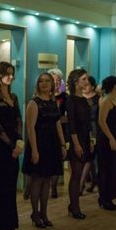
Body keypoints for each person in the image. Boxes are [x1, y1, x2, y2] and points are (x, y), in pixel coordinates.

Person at [22, 73, 67, 228]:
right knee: (37, 180)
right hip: (38, 144)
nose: (44, 83)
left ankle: (44, 213)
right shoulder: (34, 103)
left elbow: (57, 124)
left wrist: (62, 144)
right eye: (41, 81)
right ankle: (35, 213)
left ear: (52, 84)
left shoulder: (54, 102)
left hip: (52, 144)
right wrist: (35, 150)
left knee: (47, 180)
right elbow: (30, 128)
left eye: (47, 81)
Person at [0, 62, 23, 230]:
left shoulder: (14, 97)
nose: (11, 77)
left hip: (14, 144)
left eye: (12, 74)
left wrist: (19, 142)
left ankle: (10, 225)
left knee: (10, 185)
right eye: (7, 74)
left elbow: (19, 120)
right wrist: (11, 146)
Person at [65, 69, 92, 219]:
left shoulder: (83, 99)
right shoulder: (71, 100)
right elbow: (72, 124)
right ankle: (74, 207)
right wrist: (76, 144)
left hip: (85, 138)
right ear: (76, 82)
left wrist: (91, 139)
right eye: (84, 79)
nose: (87, 81)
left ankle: (73, 206)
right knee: (76, 175)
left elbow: (88, 123)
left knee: (80, 173)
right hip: (76, 139)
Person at [97, 76, 116, 211]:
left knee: (113, 168)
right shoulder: (106, 101)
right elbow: (101, 121)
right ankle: (104, 198)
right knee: (106, 169)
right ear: (115, 86)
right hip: (107, 139)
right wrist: (111, 138)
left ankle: (109, 197)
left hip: (115, 137)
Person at [49, 68, 67, 198]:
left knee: (57, 160)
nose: (56, 83)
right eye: (54, 80)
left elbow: (68, 117)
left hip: (60, 131)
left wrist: (58, 119)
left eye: (58, 80)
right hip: (45, 131)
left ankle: (54, 186)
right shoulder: (42, 96)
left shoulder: (64, 97)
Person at [80, 76, 100, 194]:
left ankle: (81, 184)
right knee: (88, 157)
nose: (84, 86)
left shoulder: (98, 99)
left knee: (90, 156)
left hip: (94, 128)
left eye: (87, 85)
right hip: (81, 128)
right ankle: (94, 181)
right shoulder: (79, 98)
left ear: (92, 86)